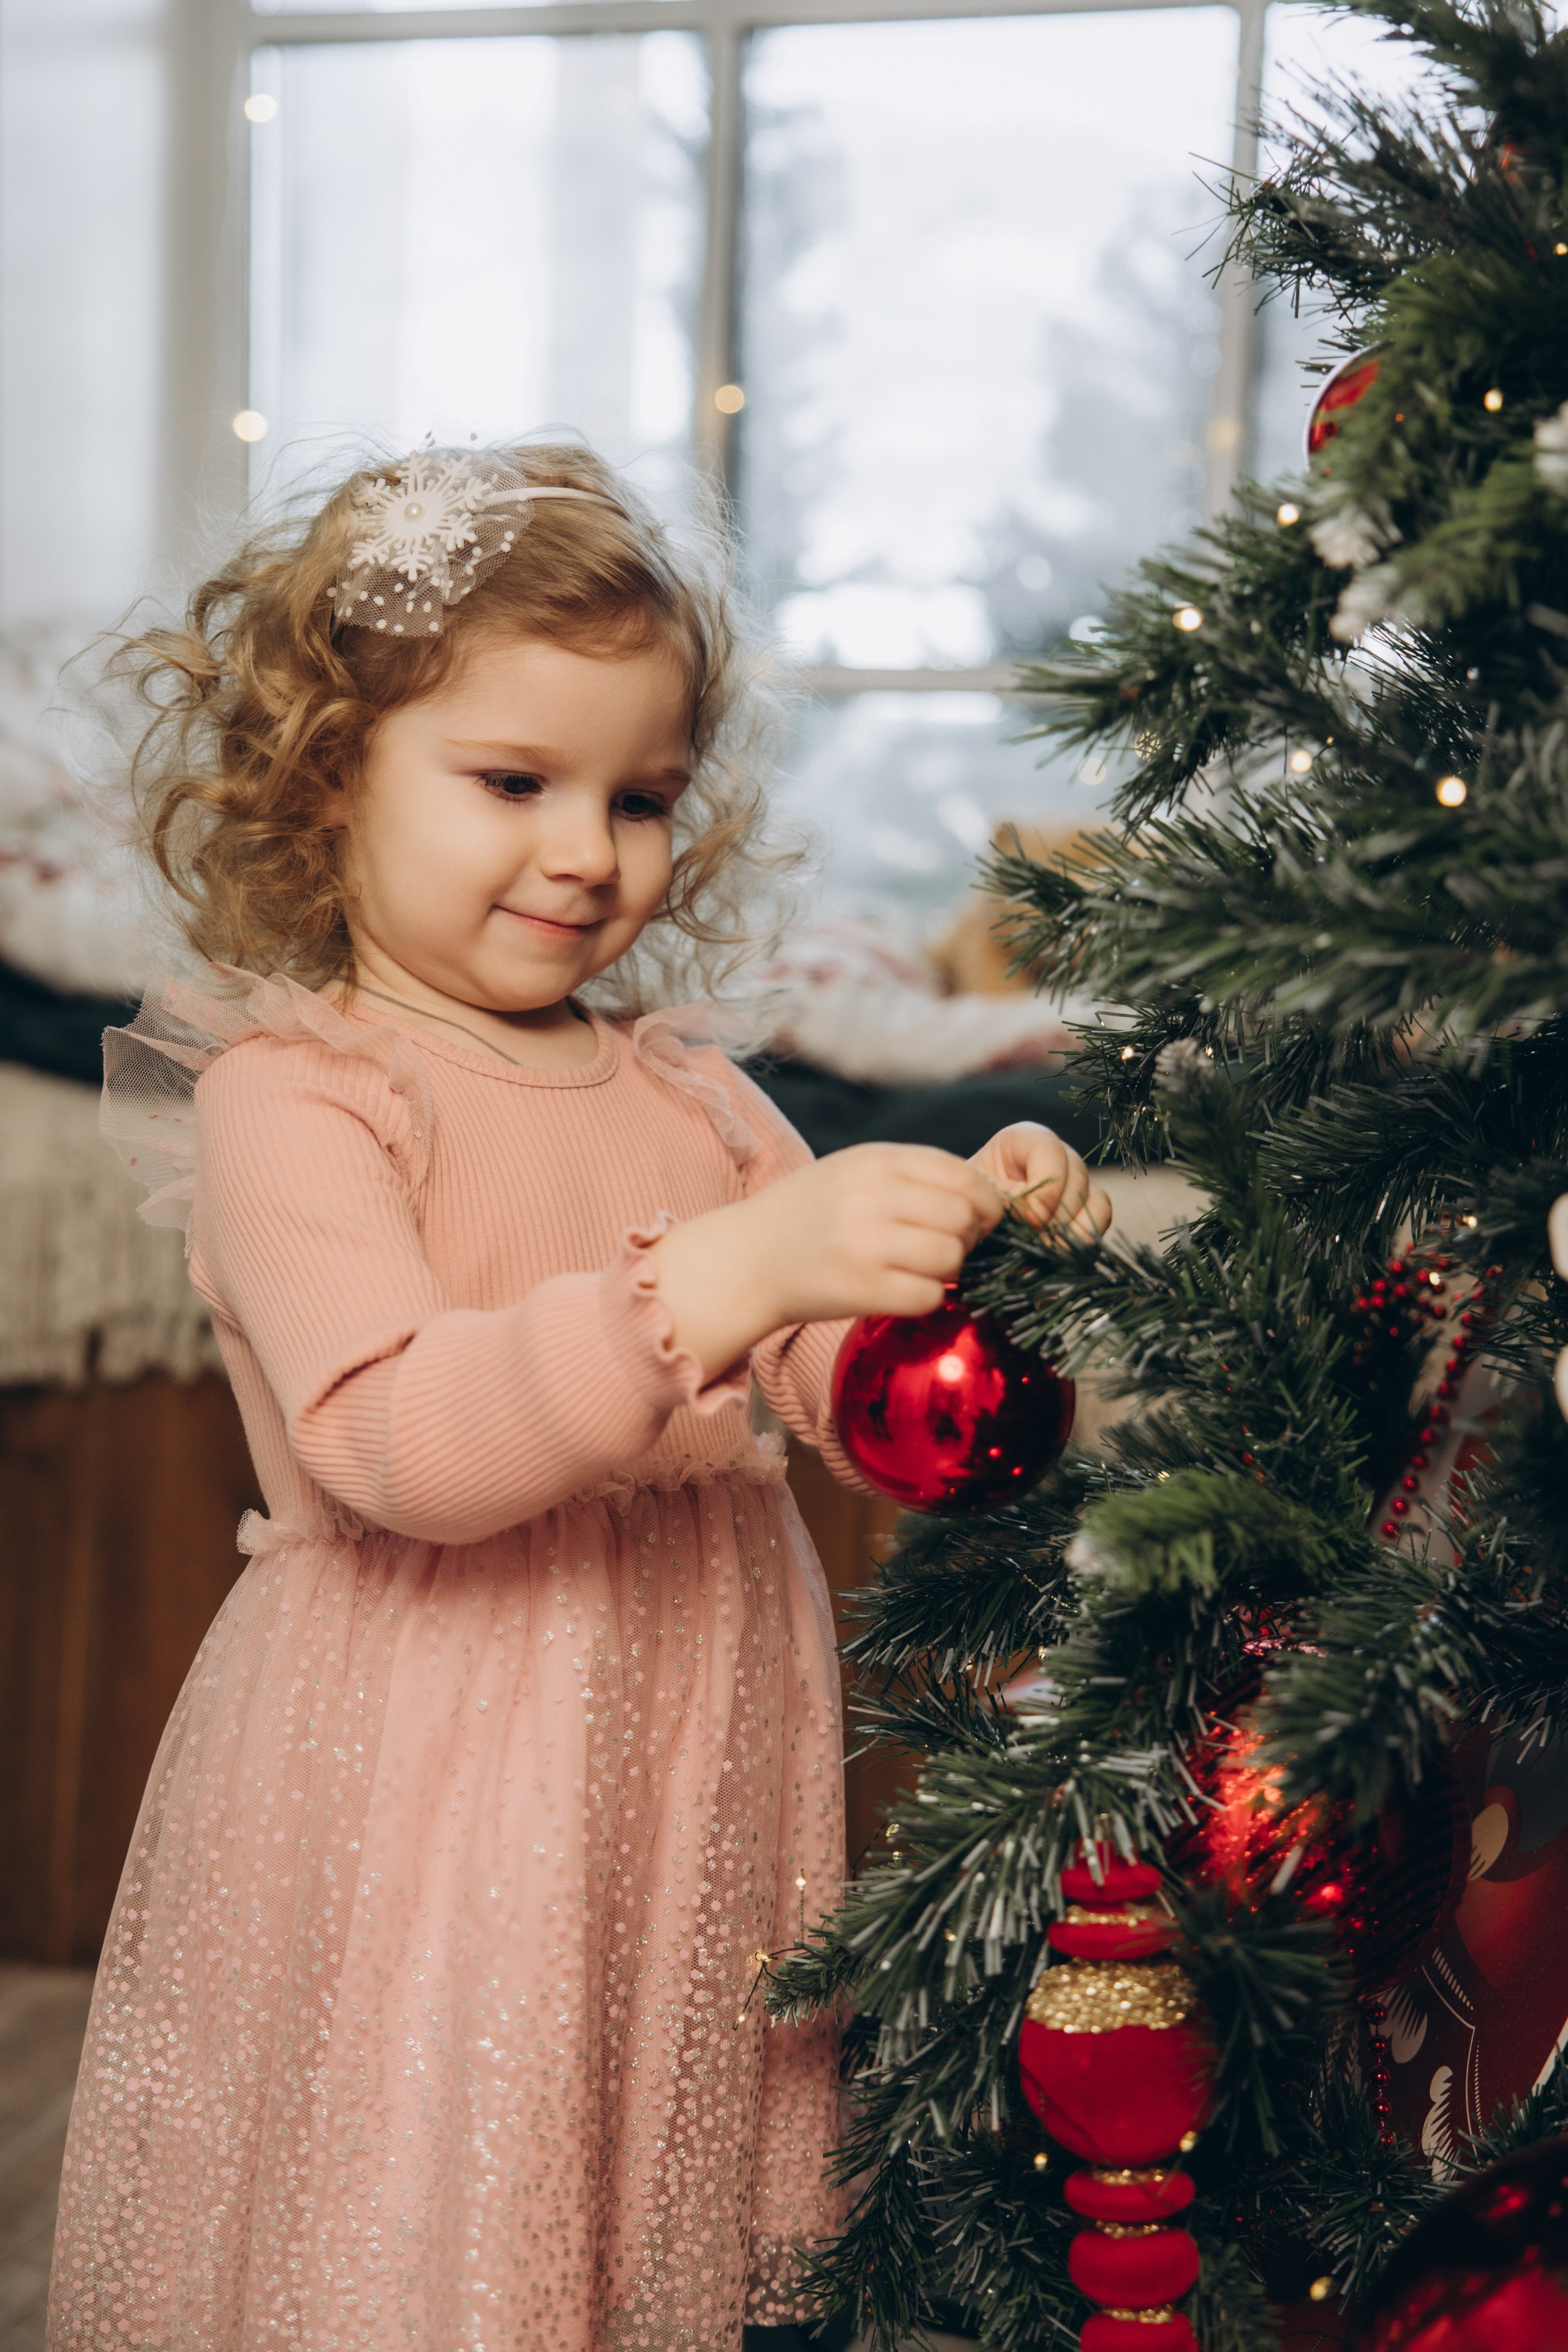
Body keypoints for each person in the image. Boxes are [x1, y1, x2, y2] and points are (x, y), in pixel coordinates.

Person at [45, 443, 1110, 2352]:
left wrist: (967, 1261)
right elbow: (389, 1444)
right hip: (426, 1757)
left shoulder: (692, 1088)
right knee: (440, 2170)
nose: (586, 851)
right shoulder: (294, 1094)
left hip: (687, 1735)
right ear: (325, 780)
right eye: (513, 783)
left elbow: (834, 1376)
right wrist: (719, 1275)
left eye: (639, 798)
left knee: (654, 2165)